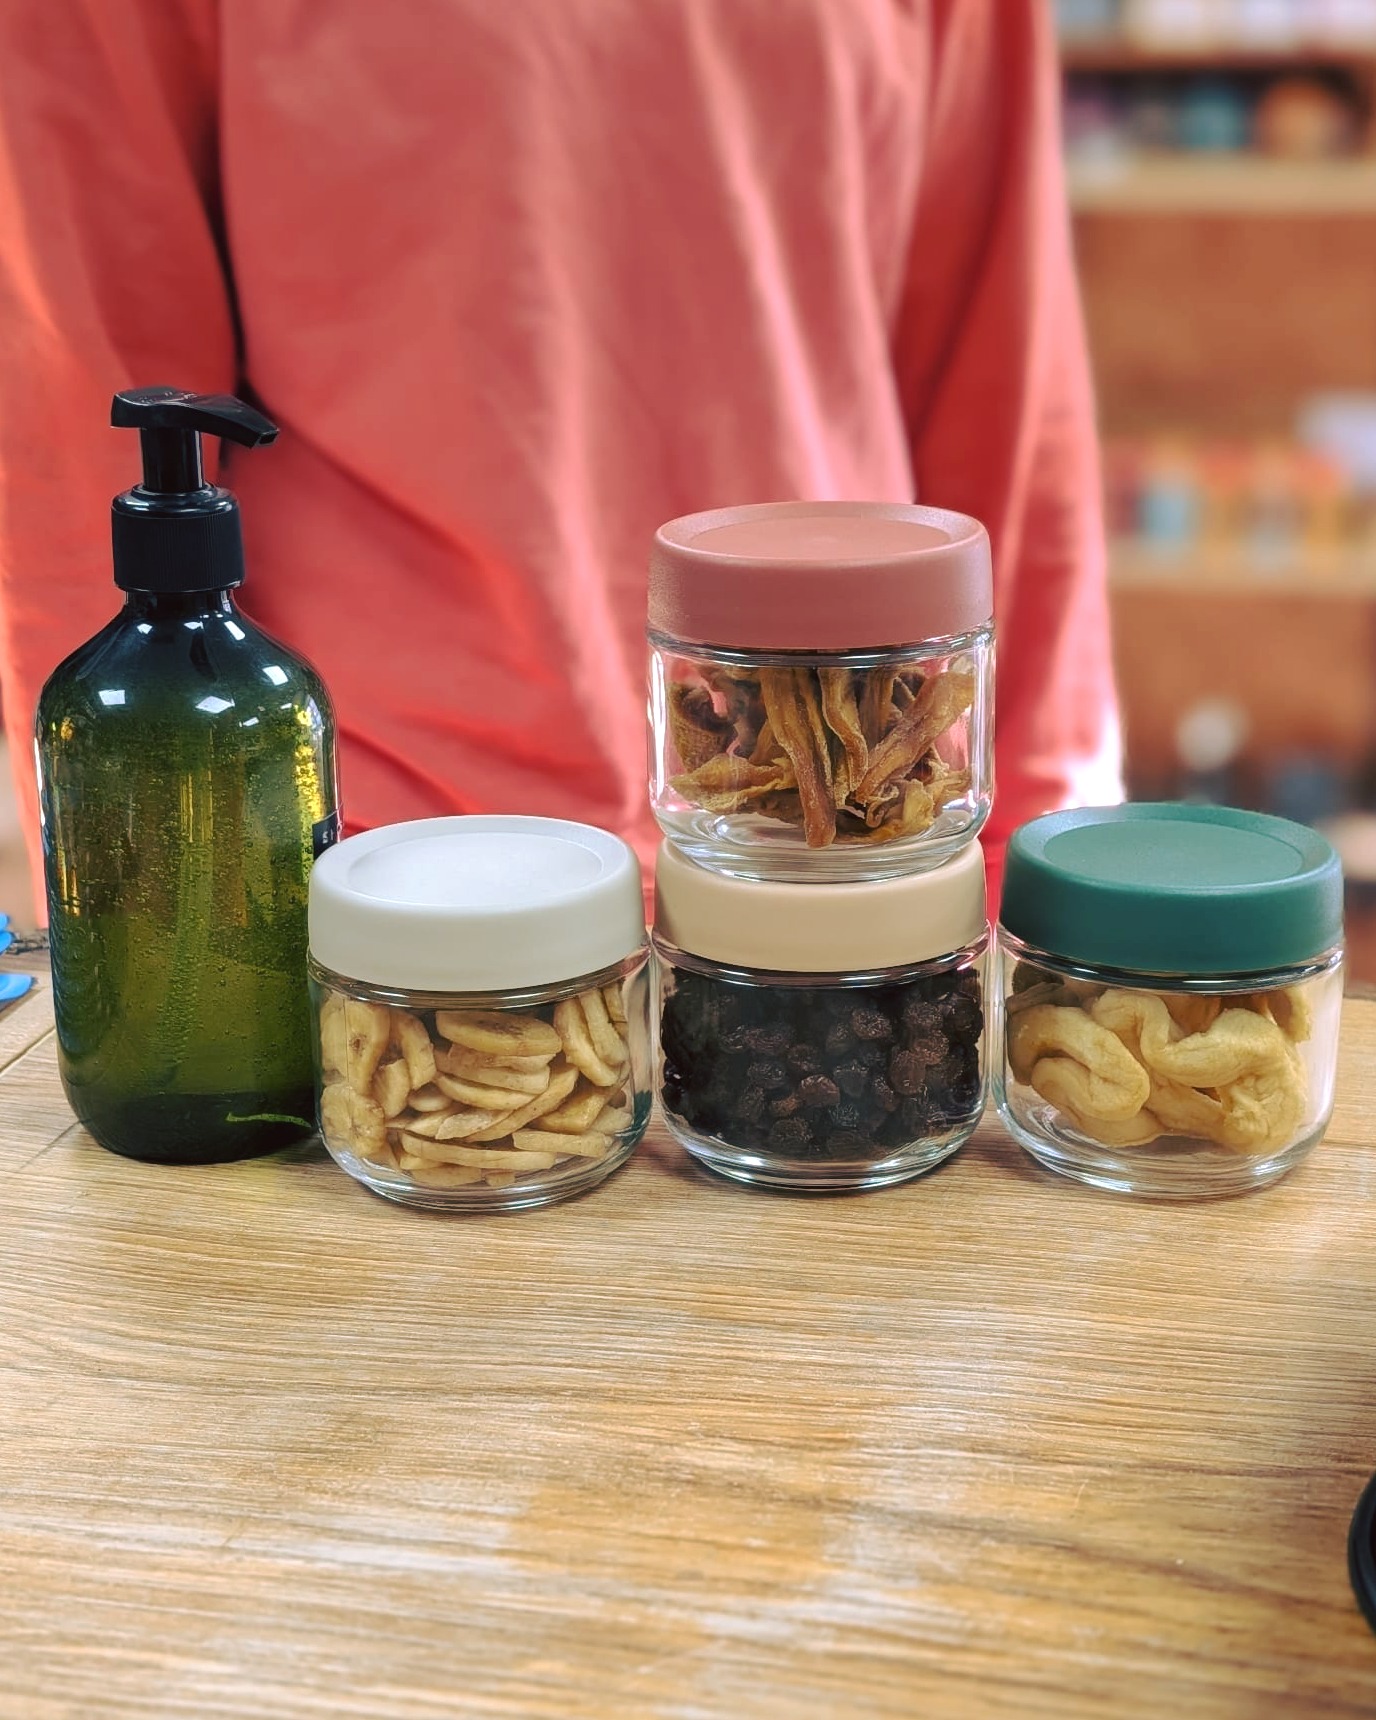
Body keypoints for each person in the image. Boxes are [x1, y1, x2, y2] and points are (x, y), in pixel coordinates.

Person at [0, 0, 1119, 913]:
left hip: (842, 850)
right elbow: (98, 423)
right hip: (371, 880)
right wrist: (147, 922)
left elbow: (1005, 405)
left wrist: (1024, 890)